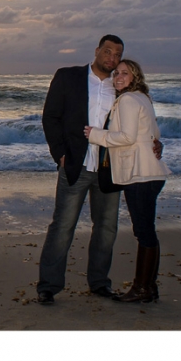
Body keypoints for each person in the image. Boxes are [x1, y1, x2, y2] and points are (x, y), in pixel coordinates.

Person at [36, 35, 125, 305]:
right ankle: (48, 286)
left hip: (110, 167)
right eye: (108, 52)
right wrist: (60, 154)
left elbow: (137, 121)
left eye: (117, 54)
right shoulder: (68, 77)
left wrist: (154, 142)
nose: (112, 58)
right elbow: (51, 116)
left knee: (107, 228)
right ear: (97, 51)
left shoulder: (122, 85)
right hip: (76, 164)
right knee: (63, 226)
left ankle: (99, 283)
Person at [85, 59, 171, 303]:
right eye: (116, 73)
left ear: (135, 77)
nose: (119, 77)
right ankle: (149, 287)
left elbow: (127, 137)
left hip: (139, 173)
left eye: (125, 73)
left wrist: (95, 135)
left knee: (144, 232)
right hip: (150, 172)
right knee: (147, 231)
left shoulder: (128, 100)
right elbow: (154, 134)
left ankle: (142, 288)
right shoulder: (143, 98)